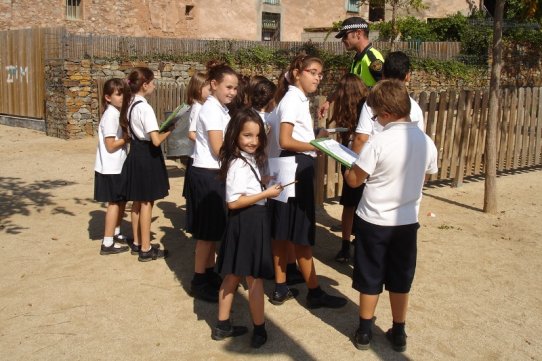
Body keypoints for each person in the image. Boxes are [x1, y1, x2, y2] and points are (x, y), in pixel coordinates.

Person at [344, 79, 438, 352]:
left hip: (374, 219)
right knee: (400, 277)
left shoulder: (379, 142)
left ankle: (364, 330)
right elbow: (427, 174)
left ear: (385, 114)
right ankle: (399, 330)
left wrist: (349, 165)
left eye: (375, 115)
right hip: (407, 220)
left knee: (370, 275)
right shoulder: (425, 140)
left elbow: (354, 181)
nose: (375, 120)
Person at [267, 54, 347, 309]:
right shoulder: (292, 100)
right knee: (300, 230)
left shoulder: (295, 99)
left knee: (283, 228)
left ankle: (281, 286)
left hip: (289, 166)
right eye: (313, 72)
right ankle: (313, 290)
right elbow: (286, 140)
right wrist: (317, 145)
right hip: (295, 166)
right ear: (297, 72)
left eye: (320, 74)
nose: (318, 78)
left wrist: (314, 136)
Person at [212, 108, 283, 348]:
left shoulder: (245, 159)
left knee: (233, 275)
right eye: (247, 136)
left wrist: (261, 184)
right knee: (253, 279)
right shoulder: (237, 164)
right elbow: (233, 202)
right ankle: (260, 329)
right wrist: (265, 193)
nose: (253, 141)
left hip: (249, 221)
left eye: (257, 136)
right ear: (235, 136)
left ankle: (223, 325)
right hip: (248, 222)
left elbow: (245, 188)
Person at [188, 61, 238, 302]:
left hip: (213, 173)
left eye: (235, 88)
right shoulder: (210, 110)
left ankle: (208, 273)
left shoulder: (219, 109)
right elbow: (219, 149)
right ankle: (199, 280)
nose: (232, 92)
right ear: (214, 84)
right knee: (206, 234)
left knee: (211, 231)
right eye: (228, 87)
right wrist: (243, 154)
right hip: (208, 174)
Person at [119, 67, 170, 262]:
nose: (155, 85)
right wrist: (170, 129)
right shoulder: (144, 107)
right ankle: (146, 248)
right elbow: (156, 140)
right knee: (147, 202)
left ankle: (139, 242)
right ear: (145, 84)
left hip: (136, 154)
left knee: (138, 202)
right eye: (153, 82)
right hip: (147, 156)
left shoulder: (130, 103)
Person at [351, 51, 425, 155]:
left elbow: (361, 139)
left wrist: (352, 167)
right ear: (408, 76)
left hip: (374, 166)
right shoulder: (415, 108)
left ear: (383, 75)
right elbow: (419, 141)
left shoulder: (372, 103)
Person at [328, 74, 369, 263]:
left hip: (353, 159)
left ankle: (345, 247)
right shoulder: (367, 107)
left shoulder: (358, 110)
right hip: (366, 159)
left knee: (350, 204)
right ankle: (357, 242)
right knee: (360, 202)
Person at [318, 16, 384, 119]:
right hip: (360, 116)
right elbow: (347, 86)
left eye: (345, 36)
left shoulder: (372, 57)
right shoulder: (357, 58)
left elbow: (386, 88)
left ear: (358, 33)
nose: (343, 40)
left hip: (372, 118)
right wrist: (329, 101)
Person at [94, 78, 130, 255]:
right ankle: (107, 242)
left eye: (124, 93)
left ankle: (115, 232)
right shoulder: (110, 116)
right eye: (118, 94)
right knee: (114, 203)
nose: (122, 97)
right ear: (108, 97)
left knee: (120, 201)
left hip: (117, 166)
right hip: (111, 168)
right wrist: (127, 138)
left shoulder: (116, 113)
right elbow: (110, 145)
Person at [183, 72, 211, 233]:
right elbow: (191, 133)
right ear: (199, 89)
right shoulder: (198, 107)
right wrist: (207, 142)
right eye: (208, 88)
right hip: (196, 157)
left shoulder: (202, 106)